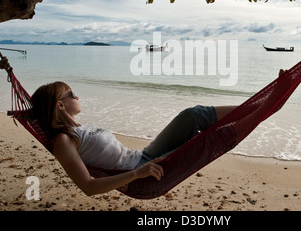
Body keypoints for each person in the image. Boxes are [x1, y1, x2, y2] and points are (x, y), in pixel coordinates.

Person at [31, 81, 237, 196]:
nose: (77, 97)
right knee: (209, 139)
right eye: (71, 93)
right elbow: (88, 186)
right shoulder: (63, 141)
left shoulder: (81, 127)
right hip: (143, 172)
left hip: (144, 155)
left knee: (193, 114)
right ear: (60, 105)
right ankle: (259, 111)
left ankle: (255, 106)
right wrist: (137, 174)